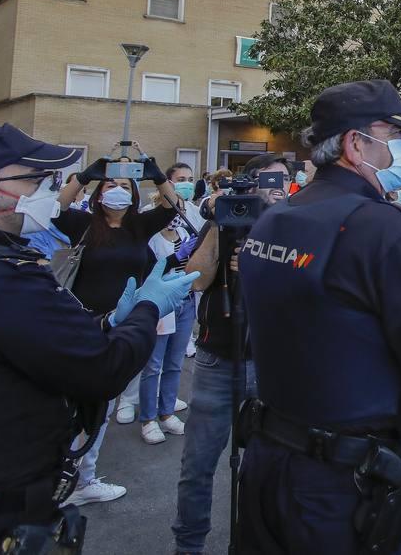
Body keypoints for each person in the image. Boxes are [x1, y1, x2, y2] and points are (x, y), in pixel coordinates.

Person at [0, 125, 194, 554]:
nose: (44, 191)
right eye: (32, 180)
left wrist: (105, 323)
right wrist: (147, 309)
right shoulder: (2, 278)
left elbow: (14, 343)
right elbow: (103, 369)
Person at [236, 80, 401, 553]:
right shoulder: (377, 226)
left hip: (268, 462)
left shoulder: (277, 215)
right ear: (354, 144)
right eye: (397, 136)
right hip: (339, 485)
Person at [169, 152, 287, 555]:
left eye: (284, 180)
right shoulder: (224, 217)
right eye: (270, 181)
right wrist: (222, 222)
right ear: (250, 183)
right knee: (198, 465)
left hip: (271, 361)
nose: (278, 188)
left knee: (266, 465)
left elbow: (308, 280)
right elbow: (197, 281)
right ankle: (188, 545)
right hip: (218, 358)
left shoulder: (294, 226)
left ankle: (258, 541)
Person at [51, 155, 180, 504]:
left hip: (123, 324)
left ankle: (83, 477)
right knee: (67, 402)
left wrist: (157, 176)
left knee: (102, 406)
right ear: (98, 193)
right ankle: (58, 472)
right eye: (110, 184)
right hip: (82, 321)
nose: (117, 191)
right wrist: (83, 176)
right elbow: (54, 208)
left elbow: (174, 206)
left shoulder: (139, 226)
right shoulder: (85, 224)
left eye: (125, 186)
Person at [136, 163, 205, 446]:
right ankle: (149, 418)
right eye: (180, 181)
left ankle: (166, 412)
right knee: (153, 364)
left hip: (184, 300)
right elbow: (148, 269)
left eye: (191, 180)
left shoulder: (187, 230)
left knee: (175, 362)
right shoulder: (149, 234)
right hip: (159, 304)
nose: (186, 186)